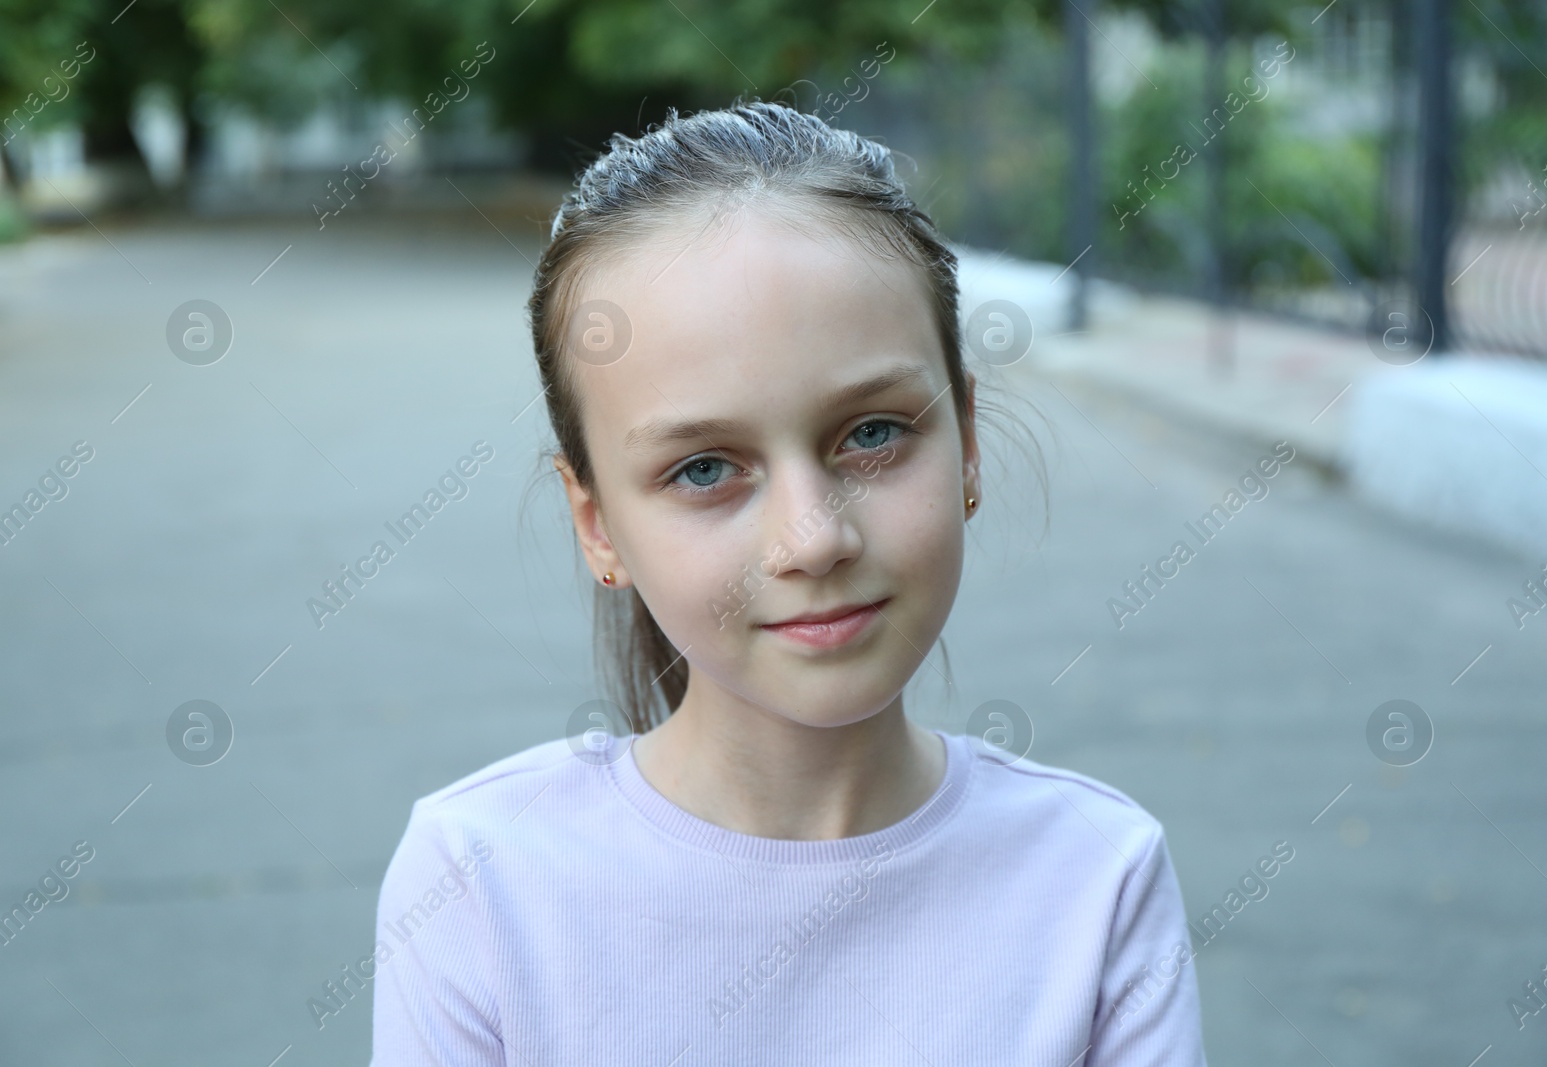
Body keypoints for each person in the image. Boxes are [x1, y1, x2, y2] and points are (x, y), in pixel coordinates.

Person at [369, 100, 1206, 1066]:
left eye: (875, 433)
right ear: (595, 521)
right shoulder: (480, 881)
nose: (813, 540)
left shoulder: (1095, 878)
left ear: (967, 442)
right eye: (703, 469)